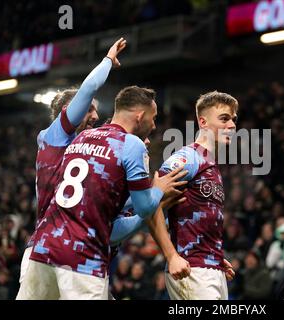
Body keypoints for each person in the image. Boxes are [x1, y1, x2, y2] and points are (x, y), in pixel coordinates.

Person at [17, 86, 190, 300]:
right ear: (140, 116)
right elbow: (129, 217)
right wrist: (156, 193)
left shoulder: (82, 139)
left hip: (44, 247)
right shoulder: (129, 145)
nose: (153, 129)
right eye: (153, 119)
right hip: (82, 255)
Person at [19, 37, 127, 285]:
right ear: (69, 108)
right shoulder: (55, 136)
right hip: (47, 248)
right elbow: (88, 88)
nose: (96, 116)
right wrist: (108, 60)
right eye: (90, 109)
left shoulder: (86, 148)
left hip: (71, 248)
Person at [159, 91, 237, 300]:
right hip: (191, 269)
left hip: (211, 267)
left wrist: (215, 255)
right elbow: (150, 207)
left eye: (233, 119)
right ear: (203, 121)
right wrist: (171, 256)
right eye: (224, 118)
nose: (232, 125)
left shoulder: (211, 164)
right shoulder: (188, 158)